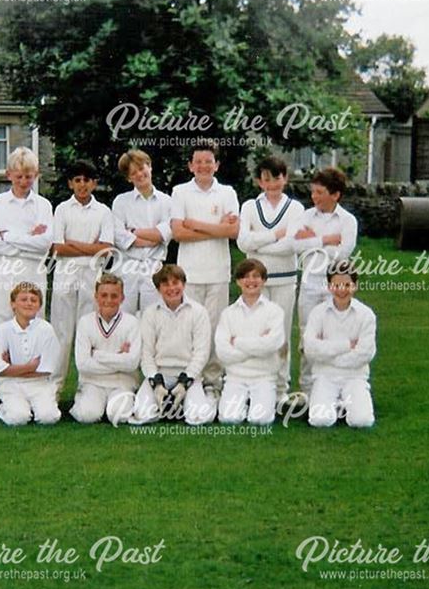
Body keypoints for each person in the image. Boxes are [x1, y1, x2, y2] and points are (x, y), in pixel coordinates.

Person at [170, 140, 239, 403]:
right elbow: (178, 233)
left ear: (217, 165)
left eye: (208, 161)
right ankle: (190, 379)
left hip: (218, 273)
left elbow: (232, 231)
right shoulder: (180, 192)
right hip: (188, 274)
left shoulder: (227, 193)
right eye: (198, 161)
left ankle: (212, 381)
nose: (203, 166)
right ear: (190, 165)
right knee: (189, 329)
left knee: (214, 329)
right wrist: (215, 228)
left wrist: (195, 224)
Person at [0, 147, 54, 401]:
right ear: (9, 174)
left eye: (29, 176)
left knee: (35, 326)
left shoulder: (43, 205)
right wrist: (28, 237)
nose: (24, 182)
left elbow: (44, 245)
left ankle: (34, 386)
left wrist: (10, 236)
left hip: (33, 271)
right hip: (3, 273)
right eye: (19, 176)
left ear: (36, 175)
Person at [236, 157, 305, 404]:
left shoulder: (295, 208)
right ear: (258, 181)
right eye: (266, 178)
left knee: (281, 334)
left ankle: (280, 390)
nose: (272, 183)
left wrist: (260, 244)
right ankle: (255, 385)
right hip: (256, 282)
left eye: (276, 177)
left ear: (285, 178)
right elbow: (243, 243)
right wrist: (275, 235)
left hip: (285, 280)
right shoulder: (249, 207)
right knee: (255, 332)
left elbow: (291, 245)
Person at [292, 167, 358, 397]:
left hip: (335, 285)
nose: (314, 197)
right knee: (308, 335)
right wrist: (327, 239)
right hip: (310, 284)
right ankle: (308, 389)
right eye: (313, 192)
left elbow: (342, 254)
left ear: (335, 195)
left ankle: (335, 387)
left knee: (334, 334)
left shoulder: (348, 221)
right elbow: (296, 247)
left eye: (320, 192)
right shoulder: (306, 216)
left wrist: (312, 240)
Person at [50, 160, 114, 392]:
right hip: (65, 276)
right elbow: (57, 248)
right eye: (77, 180)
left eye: (87, 180)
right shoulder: (62, 209)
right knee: (62, 334)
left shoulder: (103, 212)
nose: (82, 185)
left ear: (94, 183)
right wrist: (90, 247)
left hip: (92, 278)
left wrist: (74, 244)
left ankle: (87, 388)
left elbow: (107, 250)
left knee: (88, 333)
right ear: (70, 183)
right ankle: (53, 388)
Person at [131, 264, 213, 425]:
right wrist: (156, 383)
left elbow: (201, 353)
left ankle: (191, 400)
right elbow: (146, 354)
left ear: (183, 284)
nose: (171, 289)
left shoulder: (198, 312)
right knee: (142, 415)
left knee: (199, 418)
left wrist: (185, 382)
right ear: (158, 288)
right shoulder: (150, 313)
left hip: (189, 375)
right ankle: (167, 403)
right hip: (160, 374)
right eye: (165, 284)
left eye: (175, 283)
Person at [303, 260, 376, 428]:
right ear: (329, 286)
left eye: (347, 285)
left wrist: (326, 353)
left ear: (355, 285)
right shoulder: (318, 313)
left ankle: (347, 404)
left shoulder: (366, 315)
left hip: (355, 376)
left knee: (362, 421)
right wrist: (346, 345)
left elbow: (365, 353)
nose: (341, 290)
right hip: (324, 376)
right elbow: (310, 349)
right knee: (320, 421)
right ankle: (335, 404)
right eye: (336, 285)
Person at [215, 259, 285, 426]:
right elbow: (223, 352)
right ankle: (241, 402)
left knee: (260, 420)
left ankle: (256, 402)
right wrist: (259, 343)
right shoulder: (228, 313)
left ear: (264, 280)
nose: (251, 281)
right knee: (229, 419)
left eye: (256, 276)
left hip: (264, 376)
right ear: (238, 281)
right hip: (235, 377)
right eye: (246, 277)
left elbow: (272, 344)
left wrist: (237, 341)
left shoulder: (274, 311)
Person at [71, 274, 142, 425]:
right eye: (104, 295)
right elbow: (82, 365)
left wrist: (97, 355)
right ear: (96, 296)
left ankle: (116, 403)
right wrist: (119, 358)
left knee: (119, 415)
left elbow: (132, 364)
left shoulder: (132, 323)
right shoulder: (85, 322)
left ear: (122, 297)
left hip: (123, 382)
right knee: (87, 416)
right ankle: (87, 400)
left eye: (114, 296)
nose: (109, 300)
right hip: (92, 382)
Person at [0, 282, 62, 426]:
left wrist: (12, 368)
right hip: (12, 384)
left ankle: (36, 406)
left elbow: (46, 370)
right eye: (24, 299)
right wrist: (30, 367)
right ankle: (7, 407)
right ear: (13, 304)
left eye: (33, 300)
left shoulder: (46, 329)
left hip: (39, 384)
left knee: (48, 418)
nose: (29, 303)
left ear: (39, 305)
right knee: (18, 418)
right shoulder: (4, 329)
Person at [110, 149, 172, 316]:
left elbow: (164, 234)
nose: (139, 174)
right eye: (133, 172)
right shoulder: (121, 202)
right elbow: (119, 235)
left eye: (142, 168)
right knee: (123, 317)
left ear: (150, 167)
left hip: (154, 265)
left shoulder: (166, 201)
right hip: (126, 266)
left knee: (152, 317)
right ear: (129, 178)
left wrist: (135, 231)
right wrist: (151, 238)